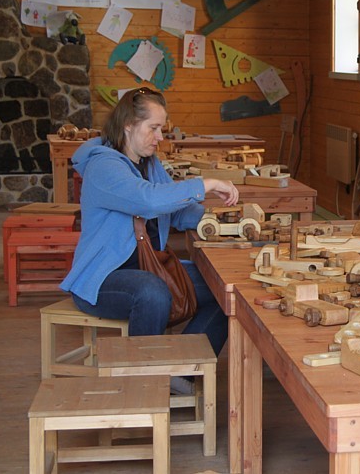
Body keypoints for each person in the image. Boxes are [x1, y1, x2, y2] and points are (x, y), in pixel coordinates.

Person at [60, 87, 240, 393]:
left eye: (161, 129)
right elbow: (149, 201)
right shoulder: (104, 166)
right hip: (102, 279)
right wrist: (205, 183)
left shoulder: (150, 163)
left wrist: (222, 222)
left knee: (228, 289)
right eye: (153, 128)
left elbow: (178, 213)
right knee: (151, 292)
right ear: (129, 124)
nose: (159, 137)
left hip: (150, 268)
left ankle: (179, 369)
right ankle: (142, 384)